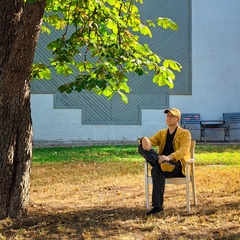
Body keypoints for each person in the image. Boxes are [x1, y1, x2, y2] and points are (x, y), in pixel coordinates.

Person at [138, 107, 191, 216]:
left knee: (156, 169)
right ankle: (159, 161)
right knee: (141, 147)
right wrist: (144, 139)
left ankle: (157, 206)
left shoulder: (185, 133)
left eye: (172, 116)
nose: (169, 118)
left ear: (177, 119)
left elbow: (184, 150)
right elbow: (149, 143)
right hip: (162, 162)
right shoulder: (162, 133)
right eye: (168, 115)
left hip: (176, 165)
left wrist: (168, 158)